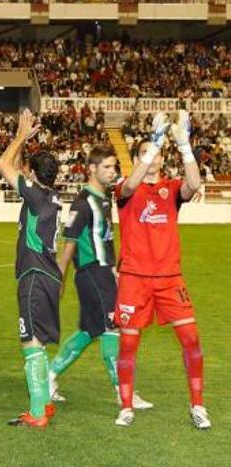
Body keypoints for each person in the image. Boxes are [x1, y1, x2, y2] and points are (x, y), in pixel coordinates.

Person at [113, 111, 210, 429]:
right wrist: (153, 143)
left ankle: (197, 405)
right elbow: (129, 185)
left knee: (191, 339)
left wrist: (183, 144)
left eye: (153, 154)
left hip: (169, 279)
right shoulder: (125, 189)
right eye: (143, 154)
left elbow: (194, 184)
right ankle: (126, 406)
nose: (150, 159)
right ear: (140, 157)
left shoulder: (171, 187)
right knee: (128, 344)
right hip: (134, 279)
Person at [48, 146, 153, 410]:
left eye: (114, 167)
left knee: (88, 330)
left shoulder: (104, 199)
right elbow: (69, 243)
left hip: (103, 272)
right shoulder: (83, 203)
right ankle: (123, 394)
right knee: (113, 328)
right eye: (106, 167)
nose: (112, 171)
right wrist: (59, 279)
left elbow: (105, 240)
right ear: (91, 169)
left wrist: (113, 269)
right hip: (91, 272)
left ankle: (47, 378)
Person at [0, 109, 61, 428]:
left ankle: (36, 414)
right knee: (40, 341)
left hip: (34, 276)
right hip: (48, 276)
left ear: (33, 175)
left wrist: (21, 134)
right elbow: (18, 167)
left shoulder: (35, 197)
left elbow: (3, 166)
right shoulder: (50, 196)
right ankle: (45, 404)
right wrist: (24, 144)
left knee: (30, 343)